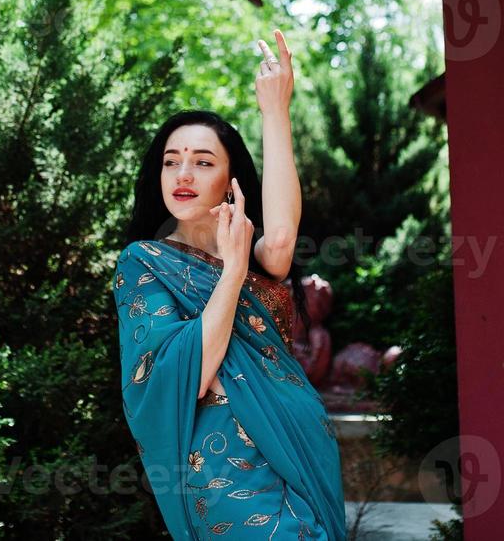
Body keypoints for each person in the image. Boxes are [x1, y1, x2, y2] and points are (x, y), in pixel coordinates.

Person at [112, 30, 347, 540]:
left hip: (299, 446)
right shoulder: (144, 262)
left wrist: (274, 108)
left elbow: (281, 235)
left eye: (203, 161)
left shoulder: (254, 251)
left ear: (230, 179)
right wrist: (234, 273)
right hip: (223, 468)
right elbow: (178, 377)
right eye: (171, 161)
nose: (183, 172)